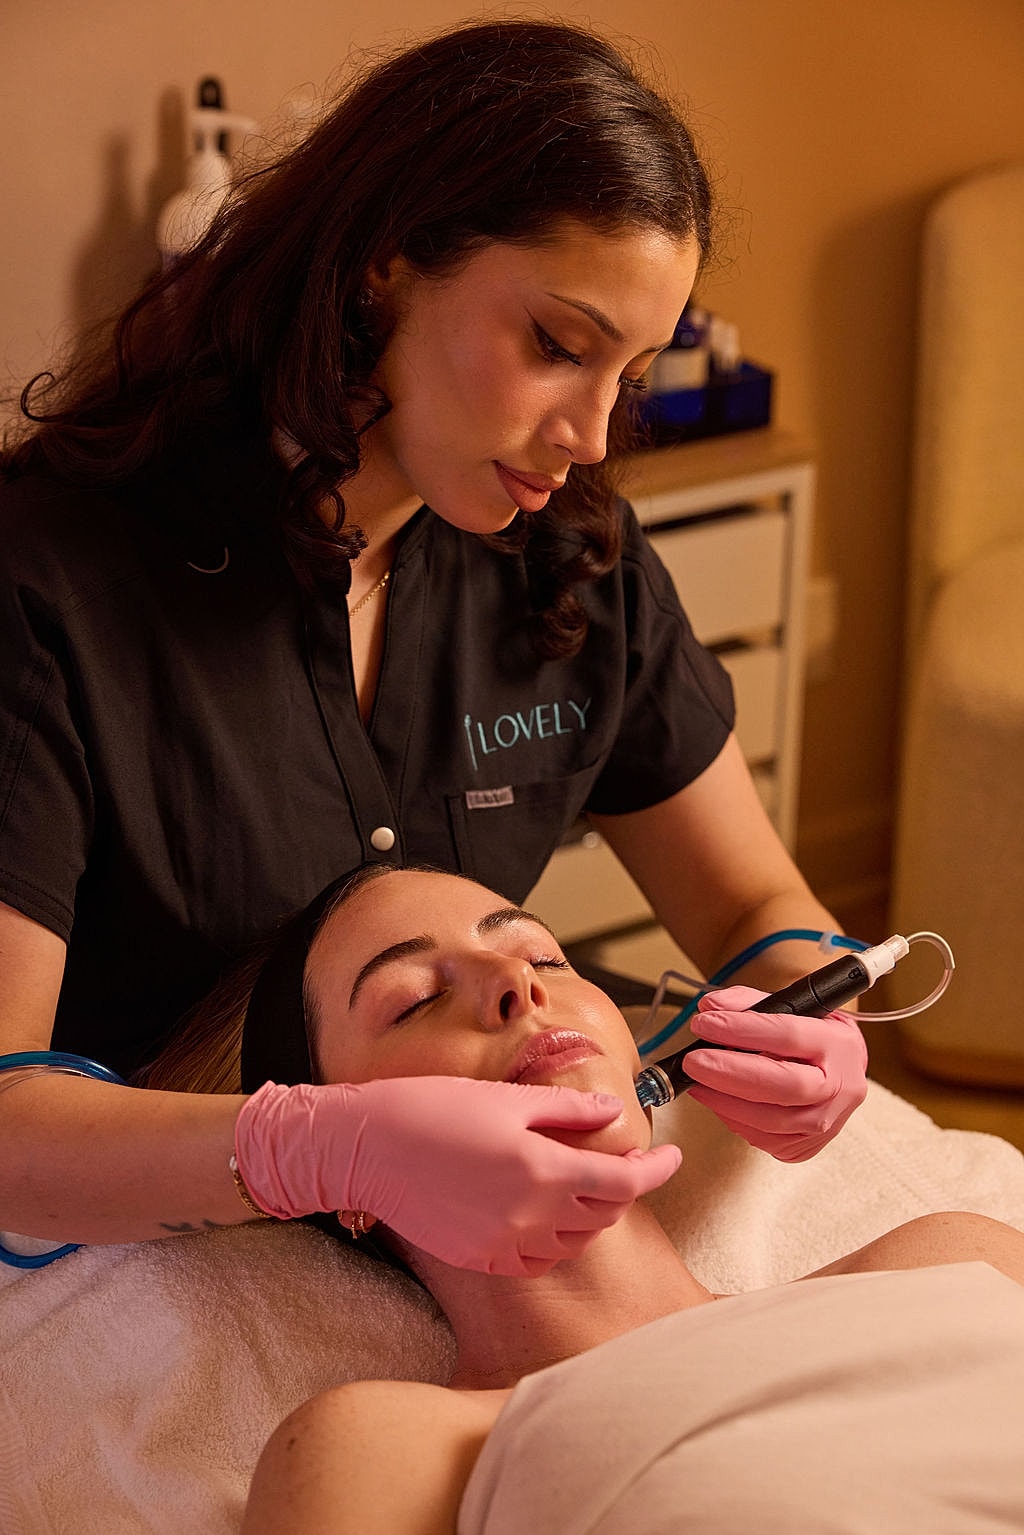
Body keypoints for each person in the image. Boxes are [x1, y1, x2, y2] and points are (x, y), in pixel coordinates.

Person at [0, 19, 864, 1273]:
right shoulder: (51, 585)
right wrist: (315, 1150)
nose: (591, 433)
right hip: (145, 1259)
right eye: (557, 346)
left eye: (628, 373)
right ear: (382, 266)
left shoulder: (571, 560)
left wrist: (812, 1003)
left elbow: (748, 901)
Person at [144, 860, 1020, 1535]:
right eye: (414, 1001)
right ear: (347, 1175)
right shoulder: (385, 1448)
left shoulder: (947, 1255)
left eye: (543, 956)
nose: (518, 984)